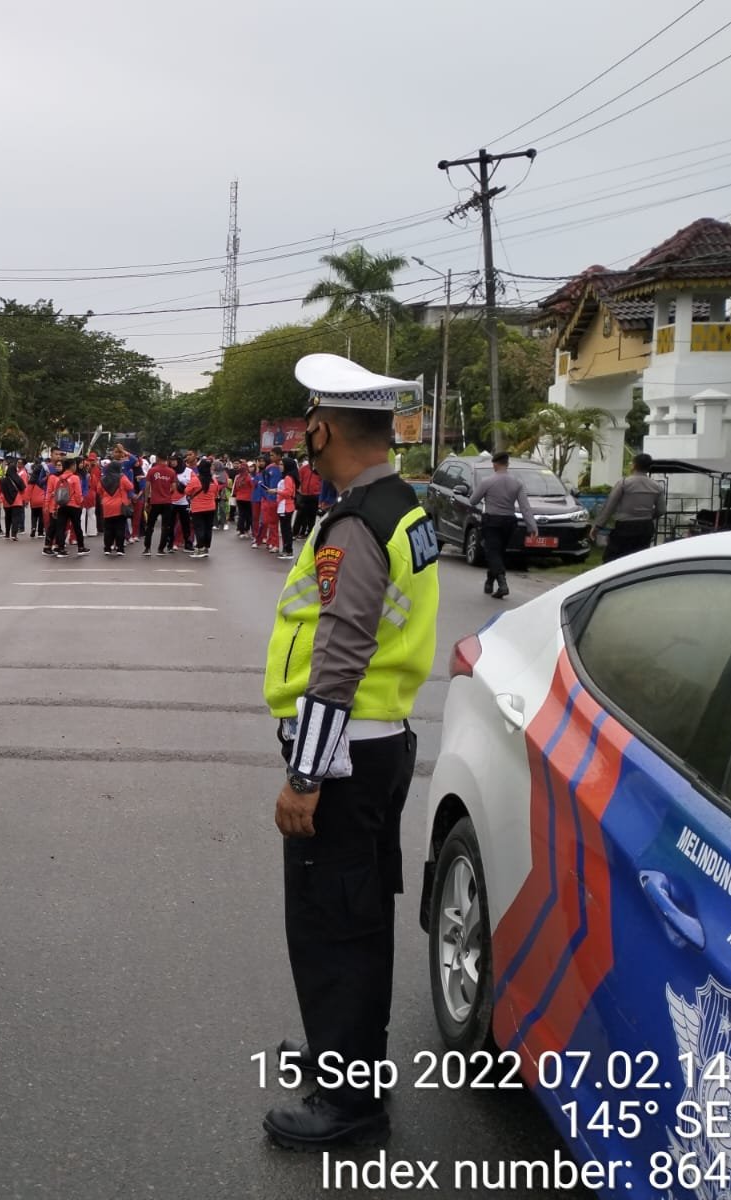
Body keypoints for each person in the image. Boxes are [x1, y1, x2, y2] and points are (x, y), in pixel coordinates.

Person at [259, 354, 439, 1151]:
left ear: (322, 429)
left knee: (333, 924)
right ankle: (345, 1057)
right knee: (358, 914)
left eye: (308, 420)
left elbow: (341, 652)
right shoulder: (405, 506)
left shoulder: (358, 523)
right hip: (382, 742)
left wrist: (306, 773)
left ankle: (349, 1100)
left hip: (345, 754)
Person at [463, 451, 537, 599]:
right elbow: (525, 507)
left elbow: (473, 501)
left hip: (492, 521)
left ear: (495, 464)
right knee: (498, 552)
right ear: (507, 464)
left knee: (492, 552)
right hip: (509, 522)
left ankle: (502, 584)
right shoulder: (517, 483)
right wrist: (532, 527)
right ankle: (490, 581)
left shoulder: (487, 482)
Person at [590, 452, 665, 561]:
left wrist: (597, 526)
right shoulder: (656, 486)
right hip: (645, 528)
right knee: (638, 560)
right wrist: (648, 515)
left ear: (634, 465)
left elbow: (609, 507)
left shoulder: (624, 483)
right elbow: (662, 510)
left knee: (612, 559)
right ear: (649, 468)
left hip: (625, 527)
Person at [143, 454, 179, 555]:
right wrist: (168, 494)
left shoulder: (152, 470)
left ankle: (147, 548)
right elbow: (174, 488)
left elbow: (147, 486)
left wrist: (146, 501)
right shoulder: (171, 472)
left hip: (154, 501)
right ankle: (161, 549)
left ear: (157, 459)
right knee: (165, 526)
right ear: (166, 460)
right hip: (167, 502)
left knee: (150, 525)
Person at [185, 457, 218, 558]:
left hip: (198, 508)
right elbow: (216, 492)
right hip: (211, 507)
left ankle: (200, 548)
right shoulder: (213, 481)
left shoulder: (195, 480)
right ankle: (206, 548)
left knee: (199, 528)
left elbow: (187, 491)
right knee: (208, 528)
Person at [99, 459, 134, 554]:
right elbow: (130, 486)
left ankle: (107, 548)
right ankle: (120, 549)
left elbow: (99, 490)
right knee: (120, 528)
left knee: (108, 528)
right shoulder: (122, 477)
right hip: (120, 506)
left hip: (107, 506)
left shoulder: (103, 479)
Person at [277, 455, 299, 560]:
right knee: (285, 529)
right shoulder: (288, 477)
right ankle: (286, 549)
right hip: (284, 505)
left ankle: (288, 551)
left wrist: (276, 491)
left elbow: (288, 493)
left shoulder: (288, 477)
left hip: (286, 506)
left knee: (286, 530)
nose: (279, 466)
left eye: (282, 464)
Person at [294, 456, 322, 540]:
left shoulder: (320, 469)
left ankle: (309, 533)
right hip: (304, 495)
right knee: (300, 515)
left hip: (315, 495)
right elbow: (299, 480)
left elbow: (322, 481)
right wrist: (299, 490)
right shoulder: (303, 468)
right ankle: (295, 532)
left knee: (312, 516)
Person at [1, 454, 26, 540]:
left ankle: (7, 534)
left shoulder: (3, 480)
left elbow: (2, 491)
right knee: (15, 518)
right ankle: (14, 535)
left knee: (7, 518)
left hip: (6, 502)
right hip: (17, 501)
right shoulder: (18, 478)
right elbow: (23, 488)